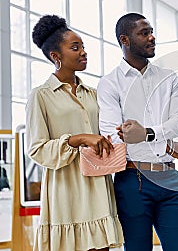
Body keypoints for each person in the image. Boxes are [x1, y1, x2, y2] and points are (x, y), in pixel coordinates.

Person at [27, 15, 124, 251]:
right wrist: (77, 138)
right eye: (75, 47)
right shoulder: (41, 96)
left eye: (83, 46)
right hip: (65, 190)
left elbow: (107, 134)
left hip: (98, 184)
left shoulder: (93, 93)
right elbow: (37, 150)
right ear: (56, 57)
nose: (83, 52)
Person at [97, 13, 178, 251]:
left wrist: (146, 133)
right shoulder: (110, 83)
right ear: (125, 40)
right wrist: (169, 145)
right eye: (144, 33)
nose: (152, 38)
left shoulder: (168, 77)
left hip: (169, 179)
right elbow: (115, 137)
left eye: (151, 31)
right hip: (133, 181)